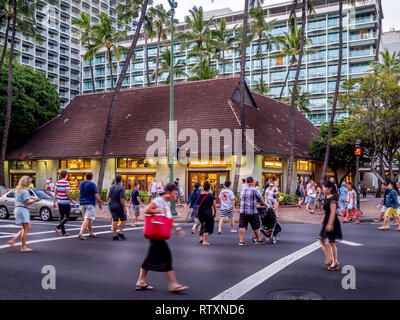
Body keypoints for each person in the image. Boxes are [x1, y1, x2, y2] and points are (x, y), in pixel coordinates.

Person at [136, 183, 188, 293]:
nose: (176, 196)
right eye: (175, 194)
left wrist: (177, 228)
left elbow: (167, 219)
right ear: (168, 193)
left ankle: (141, 282)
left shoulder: (166, 203)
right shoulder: (159, 201)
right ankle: (173, 284)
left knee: (150, 259)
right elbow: (146, 211)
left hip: (158, 235)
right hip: (156, 235)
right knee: (167, 257)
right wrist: (159, 211)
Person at [7, 176, 40, 252]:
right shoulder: (25, 191)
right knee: (26, 228)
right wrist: (35, 200)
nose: (30, 183)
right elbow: (27, 203)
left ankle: (13, 240)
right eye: (29, 182)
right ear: (26, 182)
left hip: (17, 209)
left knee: (26, 228)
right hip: (22, 209)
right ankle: (23, 247)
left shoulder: (17, 190)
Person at [318, 180, 342, 271]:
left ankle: (335, 262)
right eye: (323, 187)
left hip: (332, 221)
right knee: (321, 239)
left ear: (330, 188)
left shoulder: (333, 199)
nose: (323, 189)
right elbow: (326, 211)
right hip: (327, 221)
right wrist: (323, 218)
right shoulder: (326, 196)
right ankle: (331, 258)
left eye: (325, 187)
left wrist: (330, 224)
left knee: (332, 242)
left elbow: (333, 212)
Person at [238, 177, 267, 246]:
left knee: (242, 225)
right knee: (255, 226)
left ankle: (241, 241)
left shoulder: (243, 189)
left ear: (247, 182)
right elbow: (261, 200)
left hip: (243, 211)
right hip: (252, 211)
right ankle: (258, 239)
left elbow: (240, 198)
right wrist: (266, 205)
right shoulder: (255, 190)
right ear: (253, 182)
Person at [77, 172, 103, 240]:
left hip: (82, 203)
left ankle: (91, 233)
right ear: (92, 177)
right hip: (90, 203)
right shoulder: (92, 184)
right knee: (87, 219)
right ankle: (80, 233)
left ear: (86, 177)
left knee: (88, 219)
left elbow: (79, 190)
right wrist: (100, 203)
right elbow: (96, 195)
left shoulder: (81, 183)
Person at [53, 170, 75, 237]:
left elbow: (55, 193)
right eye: (67, 175)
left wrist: (54, 203)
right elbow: (67, 193)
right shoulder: (66, 183)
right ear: (66, 175)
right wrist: (72, 201)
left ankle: (64, 233)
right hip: (66, 202)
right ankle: (58, 227)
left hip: (59, 202)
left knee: (61, 217)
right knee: (67, 217)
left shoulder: (57, 183)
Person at [108, 174, 128, 240]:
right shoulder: (121, 187)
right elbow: (121, 199)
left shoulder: (111, 187)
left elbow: (108, 197)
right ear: (121, 180)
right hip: (119, 206)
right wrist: (124, 208)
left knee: (115, 220)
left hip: (111, 205)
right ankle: (120, 232)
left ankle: (114, 235)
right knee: (124, 218)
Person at [197, 181, 217, 246]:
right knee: (208, 227)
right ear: (209, 188)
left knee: (203, 225)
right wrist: (215, 213)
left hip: (200, 212)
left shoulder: (199, 195)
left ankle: (202, 238)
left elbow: (197, 203)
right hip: (207, 213)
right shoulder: (211, 196)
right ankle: (204, 241)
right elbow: (214, 206)